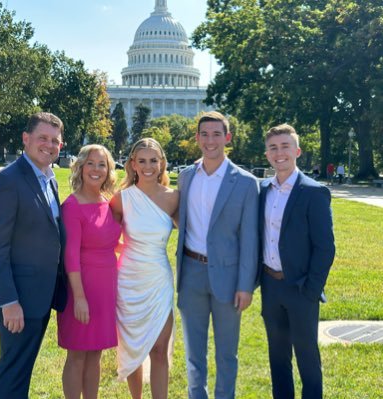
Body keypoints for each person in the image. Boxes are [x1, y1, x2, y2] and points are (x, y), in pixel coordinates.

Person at [176, 111, 259, 399]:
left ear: (228, 138)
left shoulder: (247, 183)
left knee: (227, 355)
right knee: (193, 353)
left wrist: (246, 285)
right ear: (197, 138)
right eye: (204, 134)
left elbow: (250, 239)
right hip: (191, 273)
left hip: (229, 277)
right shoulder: (185, 177)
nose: (210, 140)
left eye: (216, 134)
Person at [0, 112, 67, 399]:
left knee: (22, 369)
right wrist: (9, 302)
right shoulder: (6, 182)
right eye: (42, 138)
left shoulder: (49, 179)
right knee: (14, 371)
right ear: (26, 139)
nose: (49, 145)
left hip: (40, 298)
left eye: (54, 140)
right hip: (18, 300)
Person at [260, 124, 335, 399]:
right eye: (273, 148)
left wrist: (311, 290)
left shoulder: (313, 192)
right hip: (271, 286)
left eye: (285, 146)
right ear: (267, 154)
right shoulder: (262, 190)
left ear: (297, 151)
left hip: (301, 289)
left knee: (307, 358)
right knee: (277, 358)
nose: (279, 153)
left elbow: (325, 248)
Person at [111, 138, 179, 399]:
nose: (148, 166)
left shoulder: (174, 198)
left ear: (161, 163)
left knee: (159, 350)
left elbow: (193, 233)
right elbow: (103, 239)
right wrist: (124, 250)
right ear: (133, 164)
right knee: (132, 348)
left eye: (154, 160)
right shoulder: (122, 199)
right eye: (142, 161)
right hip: (128, 281)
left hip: (158, 281)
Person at [57, 144, 121, 399]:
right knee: (77, 353)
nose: (96, 169)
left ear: (109, 169)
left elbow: (112, 241)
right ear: (81, 167)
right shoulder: (72, 206)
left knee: (96, 353)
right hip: (81, 288)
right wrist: (80, 298)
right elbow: (70, 255)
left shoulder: (110, 202)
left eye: (102, 164)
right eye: (91, 164)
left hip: (107, 288)